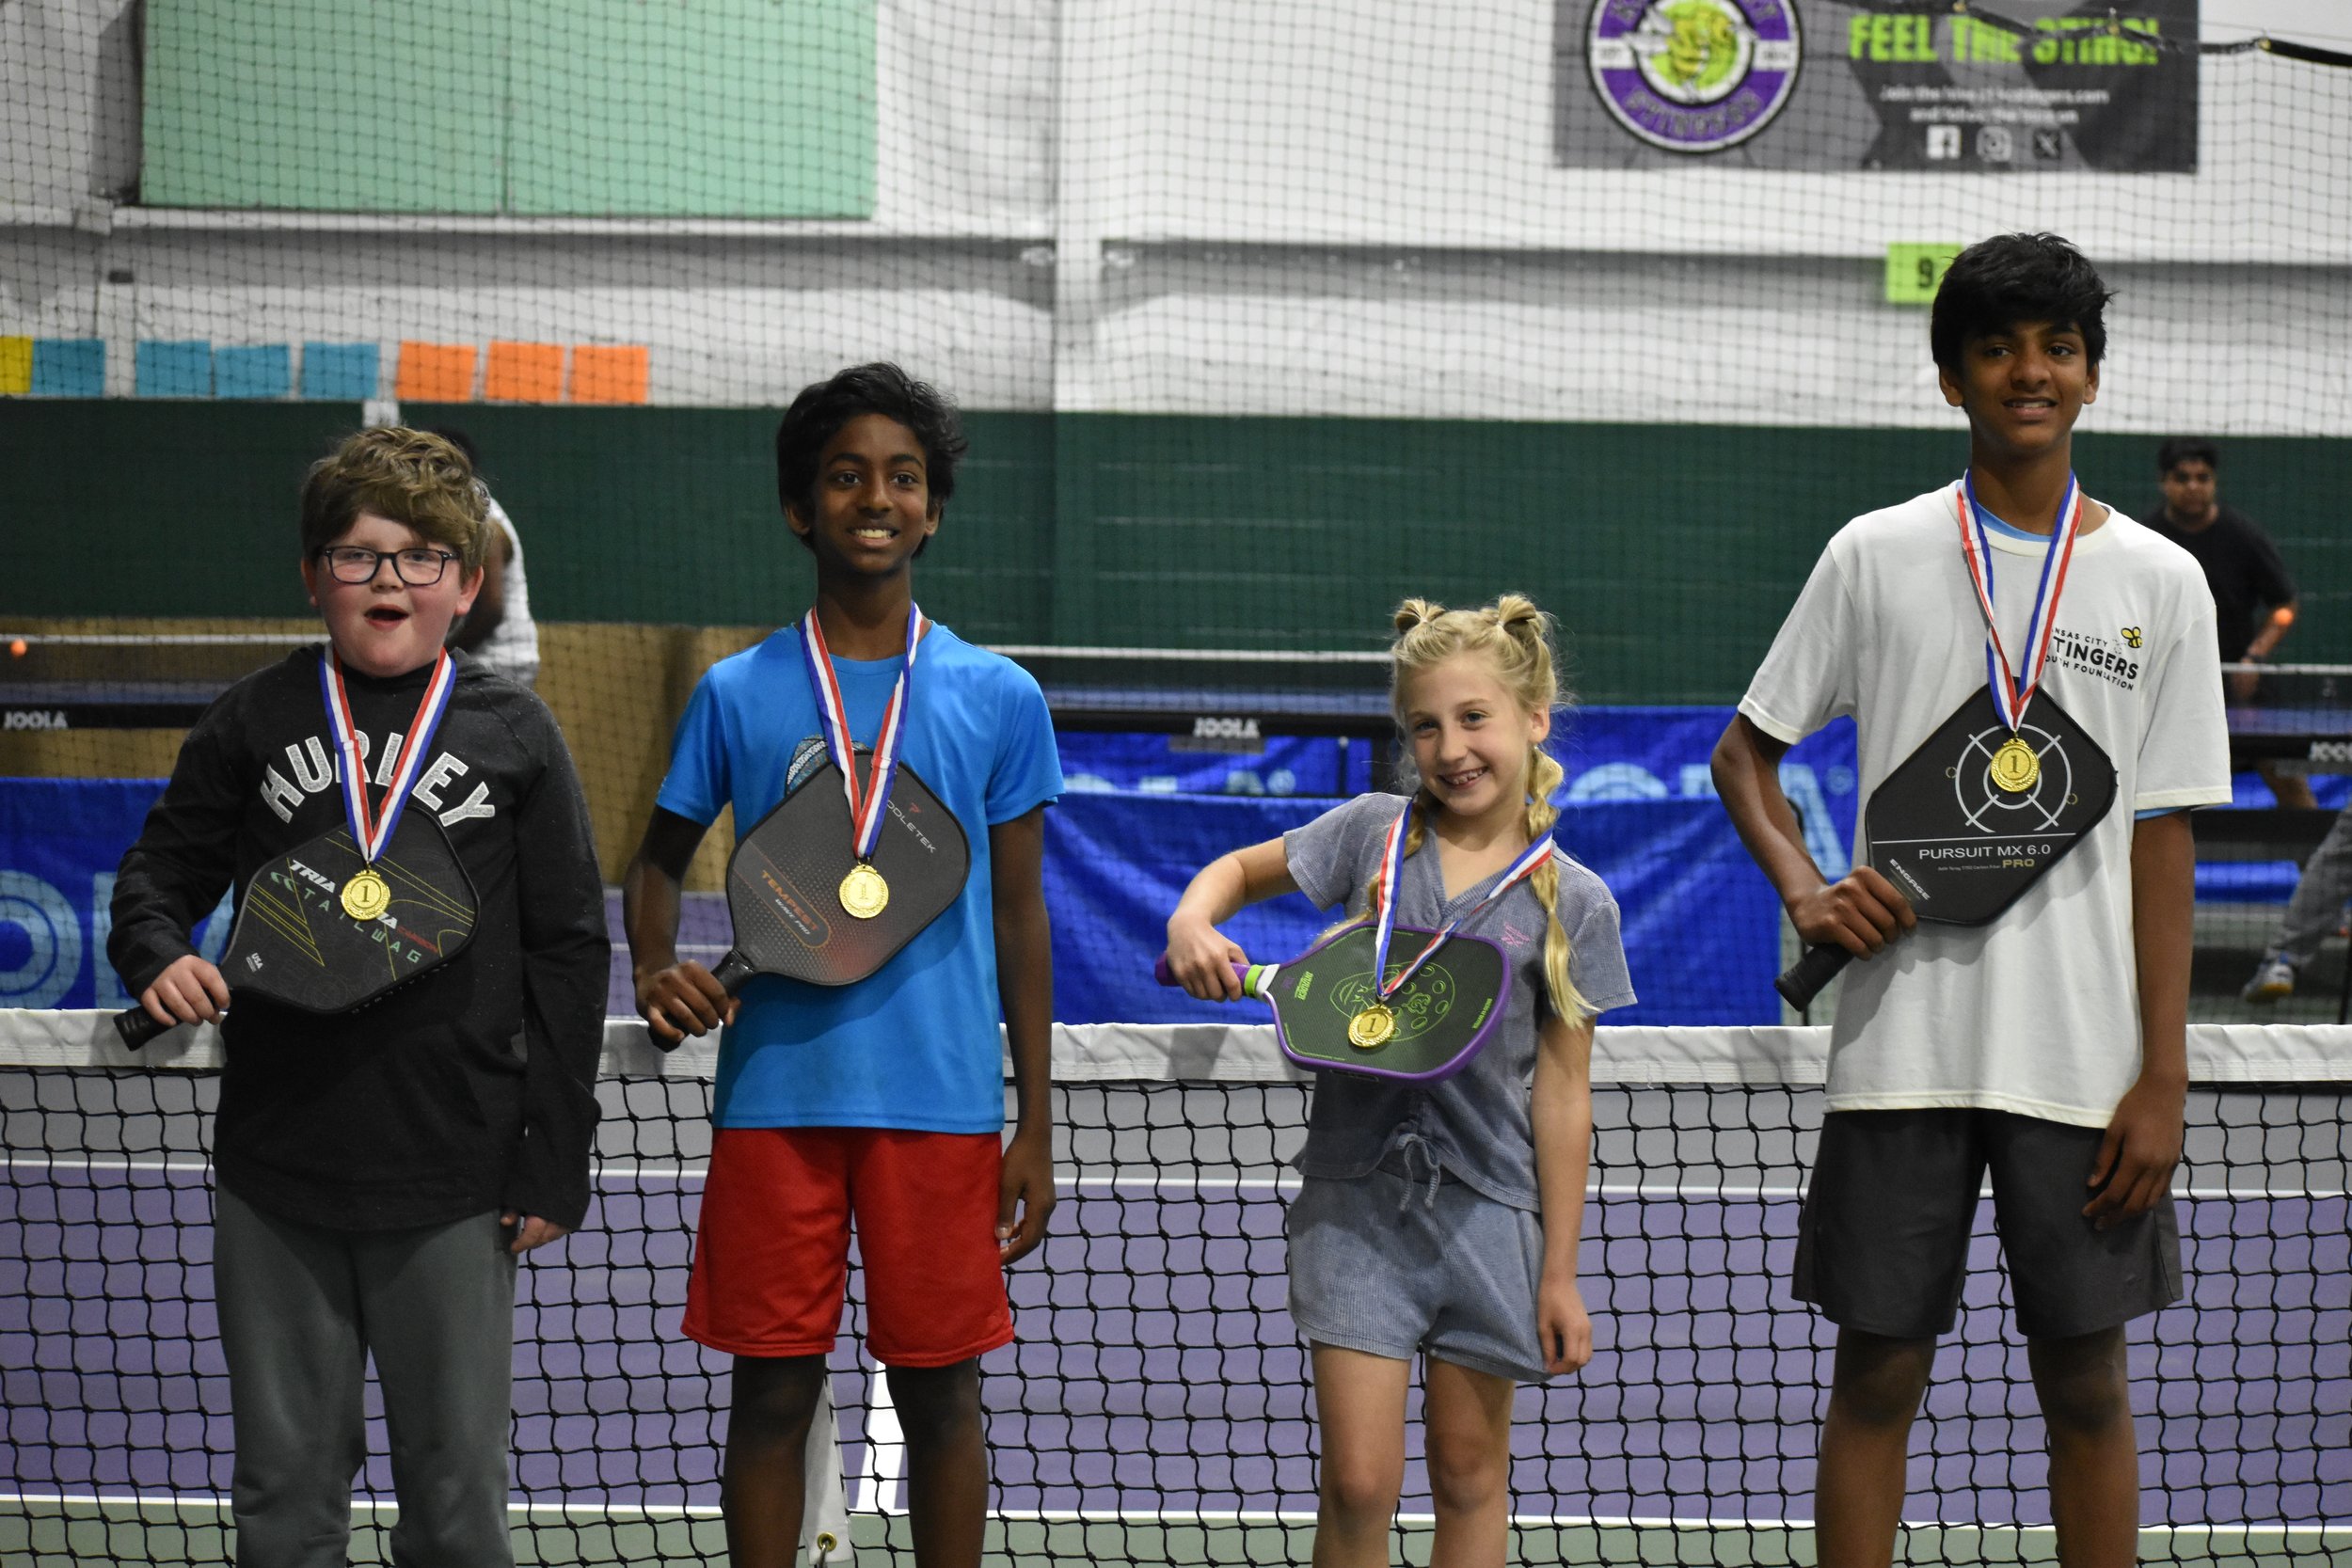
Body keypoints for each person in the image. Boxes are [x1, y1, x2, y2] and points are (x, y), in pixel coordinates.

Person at [1710, 233, 2231, 1568]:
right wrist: (1803, 886)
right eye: (1997, 347)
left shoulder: (2164, 584)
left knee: (2088, 1387)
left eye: (2057, 346)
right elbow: (1745, 752)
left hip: (2084, 1064)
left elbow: (2163, 834)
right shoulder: (1873, 554)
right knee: (1877, 1374)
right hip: (1900, 1056)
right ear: (1952, 379)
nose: (2029, 371)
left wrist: (2163, 1075)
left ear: (2093, 376)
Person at [108, 426, 610, 1565]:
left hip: (457, 1177)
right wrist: (153, 948)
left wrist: (553, 1150)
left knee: (455, 1509)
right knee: (284, 1505)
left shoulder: (516, 732)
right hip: (277, 1172)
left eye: (422, 555)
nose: (389, 578)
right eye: (357, 554)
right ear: (310, 575)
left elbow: (569, 951)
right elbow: (161, 871)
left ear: (469, 584)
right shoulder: (252, 718)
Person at [623, 363, 1060, 1568]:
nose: (877, 496)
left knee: (942, 1400)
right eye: (846, 475)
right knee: (769, 1396)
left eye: (904, 477)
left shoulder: (998, 694)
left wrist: (1034, 1119)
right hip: (777, 1103)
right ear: (799, 506)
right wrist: (655, 959)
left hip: (943, 1105)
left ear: (932, 509)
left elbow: (1022, 918)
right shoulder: (737, 690)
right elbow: (652, 860)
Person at [1164, 595, 1634, 1568]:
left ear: (1533, 718)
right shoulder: (1372, 833)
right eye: (1425, 724)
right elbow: (1235, 873)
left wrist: (1558, 1271)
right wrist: (1190, 921)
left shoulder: (1575, 901)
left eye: (1474, 718)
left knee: (1468, 1473)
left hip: (1492, 1219)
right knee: (1359, 1481)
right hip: (1355, 1209)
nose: (1450, 746)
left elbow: (1562, 1091)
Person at [2139, 436, 2309, 808]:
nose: (2193, 487)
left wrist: (2254, 657)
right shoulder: (2145, 540)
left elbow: (2284, 606)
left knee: (2290, 783)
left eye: (2203, 477)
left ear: (2214, 482)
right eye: (2182, 478)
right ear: (2164, 482)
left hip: (2239, 685)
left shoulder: (2242, 536)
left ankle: (2319, 867)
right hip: (2169, 686)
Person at [429, 425, 542, 689]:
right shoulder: (461, 514)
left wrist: (442, 655)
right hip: (485, 658)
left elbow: (491, 611)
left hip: (501, 660)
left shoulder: (486, 523)